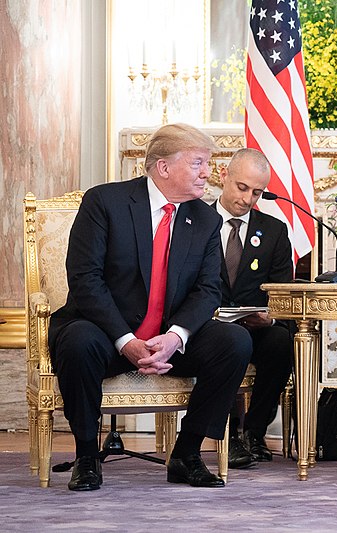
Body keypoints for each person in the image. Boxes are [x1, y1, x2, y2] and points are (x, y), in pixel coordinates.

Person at [49, 123, 252, 491]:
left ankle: (186, 453)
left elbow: (208, 290)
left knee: (233, 342)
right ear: (163, 167)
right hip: (107, 334)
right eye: (198, 163)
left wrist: (175, 338)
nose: (208, 172)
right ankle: (86, 457)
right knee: (77, 341)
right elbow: (85, 279)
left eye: (207, 163)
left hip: (166, 342)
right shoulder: (105, 203)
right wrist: (126, 340)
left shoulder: (206, 219)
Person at [213, 148, 294, 468]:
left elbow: (281, 291)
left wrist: (269, 314)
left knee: (281, 341)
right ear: (224, 177)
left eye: (257, 192)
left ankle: (254, 433)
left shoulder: (274, 231)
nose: (248, 199)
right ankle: (228, 434)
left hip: (255, 324)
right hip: (208, 325)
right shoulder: (195, 220)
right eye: (242, 188)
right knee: (228, 342)